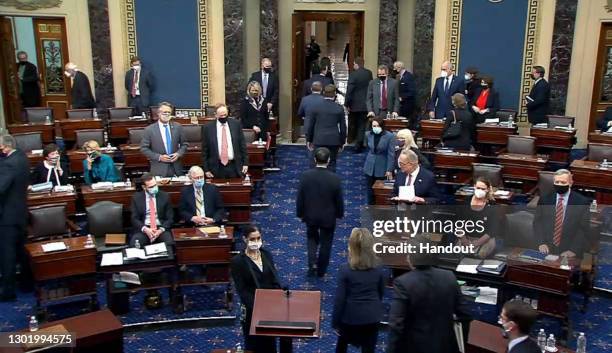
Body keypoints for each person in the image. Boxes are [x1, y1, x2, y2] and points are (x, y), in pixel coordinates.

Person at [387, 236, 470, 353]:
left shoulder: (403, 283)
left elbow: (396, 325)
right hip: (446, 347)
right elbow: (465, 314)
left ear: (411, 258)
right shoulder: (449, 277)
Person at [230, 225, 282, 353]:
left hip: (270, 308)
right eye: (253, 239)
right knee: (254, 344)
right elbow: (242, 290)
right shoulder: (238, 262)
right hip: (252, 309)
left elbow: (273, 279)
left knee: (270, 343)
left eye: (258, 238)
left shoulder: (266, 254)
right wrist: (258, 307)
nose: (256, 242)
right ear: (245, 239)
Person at [332, 228, 384, 353]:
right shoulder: (379, 267)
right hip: (372, 318)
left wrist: (335, 323)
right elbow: (380, 293)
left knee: (341, 347)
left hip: (350, 319)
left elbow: (340, 300)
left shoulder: (345, 270)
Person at [296, 147, 344, 277]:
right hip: (328, 217)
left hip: (310, 215)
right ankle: (321, 270)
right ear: (328, 160)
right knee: (326, 243)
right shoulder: (335, 178)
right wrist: (339, 214)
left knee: (311, 239)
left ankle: (312, 263)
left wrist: (300, 213)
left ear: (314, 159)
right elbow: (339, 200)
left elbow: (300, 197)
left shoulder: (306, 176)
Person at [0, 135, 30, 301]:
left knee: (7, 254)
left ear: (6, 147)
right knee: (21, 251)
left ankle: (8, 291)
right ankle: (26, 283)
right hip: (20, 213)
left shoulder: (8, 164)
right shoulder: (21, 157)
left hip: (7, 217)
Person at [534, 169, 590, 258]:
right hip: (546, 247)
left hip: (569, 249)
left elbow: (583, 229)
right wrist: (541, 243)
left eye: (563, 183)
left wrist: (573, 250)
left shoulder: (582, 202)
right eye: (557, 182)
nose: (559, 185)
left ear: (570, 183)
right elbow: (537, 222)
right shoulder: (545, 199)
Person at [305, 85, 347, 172]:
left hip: (318, 139)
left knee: (316, 164)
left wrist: (309, 139)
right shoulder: (339, 108)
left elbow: (311, 125)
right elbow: (343, 128)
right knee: (332, 163)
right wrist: (342, 142)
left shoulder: (316, 107)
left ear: (323, 93)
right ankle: (330, 182)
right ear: (335, 94)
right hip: (334, 141)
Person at [140, 101, 188, 177]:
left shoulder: (178, 127)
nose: (167, 115)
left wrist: (178, 154)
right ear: (158, 113)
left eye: (169, 112)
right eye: (164, 112)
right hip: (159, 169)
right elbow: (144, 148)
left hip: (176, 168)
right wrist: (159, 157)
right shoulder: (149, 129)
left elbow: (185, 144)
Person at [202, 103, 249, 179]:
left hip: (234, 166)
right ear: (215, 115)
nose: (223, 117)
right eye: (221, 116)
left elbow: (242, 145)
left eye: (225, 115)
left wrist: (245, 163)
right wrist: (206, 170)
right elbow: (204, 151)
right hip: (216, 167)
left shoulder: (236, 124)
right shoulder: (207, 128)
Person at [456, 177, 499, 258]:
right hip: (466, 237)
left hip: (484, 240)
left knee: (478, 256)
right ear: (474, 187)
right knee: (457, 254)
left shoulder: (492, 205)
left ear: (487, 190)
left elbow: (492, 230)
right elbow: (458, 223)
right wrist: (464, 240)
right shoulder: (466, 201)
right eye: (478, 188)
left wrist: (476, 244)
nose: (480, 190)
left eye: (483, 189)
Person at [129, 173, 174, 247]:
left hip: (161, 228)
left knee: (170, 244)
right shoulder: (136, 198)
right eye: (151, 187)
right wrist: (146, 229)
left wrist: (160, 230)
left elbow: (170, 218)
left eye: (155, 185)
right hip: (144, 228)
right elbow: (134, 219)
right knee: (134, 245)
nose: (155, 188)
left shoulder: (165, 196)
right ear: (144, 187)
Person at [363, 118, 395, 205]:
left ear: (382, 126)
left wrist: (389, 169)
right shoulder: (368, 134)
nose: (376, 127)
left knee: (380, 191)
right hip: (369, 166)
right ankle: (370, 207)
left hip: (382, 166)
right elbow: (368, 149)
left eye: (378, 126)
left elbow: (391, 154)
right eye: (374, 126)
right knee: (369, 190)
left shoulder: (390, 136)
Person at [345, 57, 373, 151]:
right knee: (362, 124)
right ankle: (360, 142)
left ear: (356, 64)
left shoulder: (353, 74)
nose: (353, 66)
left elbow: (350, 90)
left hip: (354, 104)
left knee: (353, 123)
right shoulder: (369, 73)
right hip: (365, 103)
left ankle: (353, 141)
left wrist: (346, 104)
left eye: (353, 64)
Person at [392, 61, 417, 127]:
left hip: (407, 105)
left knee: (406, 124)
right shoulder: (398, 76)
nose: (394, 70)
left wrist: (401, 97)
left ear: (399, 68)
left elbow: (412, 91)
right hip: (400, 106)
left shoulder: (409, 76)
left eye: (395, 68)